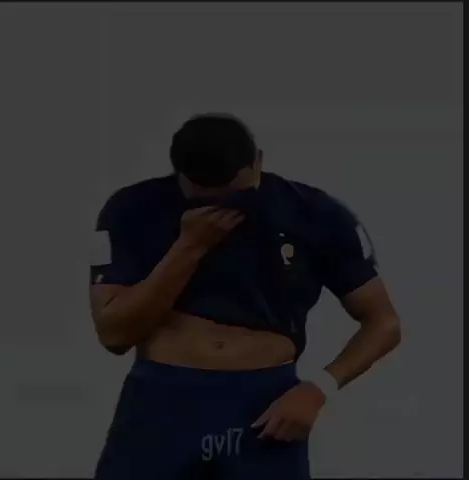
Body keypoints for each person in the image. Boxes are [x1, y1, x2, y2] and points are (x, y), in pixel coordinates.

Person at [89, 113, 401, 479]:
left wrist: (319, 389)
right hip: (162, 401)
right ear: (181, 176)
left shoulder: (314, 213)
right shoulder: (132, 208)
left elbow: (384, 323)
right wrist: (189, 246)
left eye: (236, 194)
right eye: (206, 197)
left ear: (258, 161)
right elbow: (114, 334)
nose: (224, 206)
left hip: (263, 406)